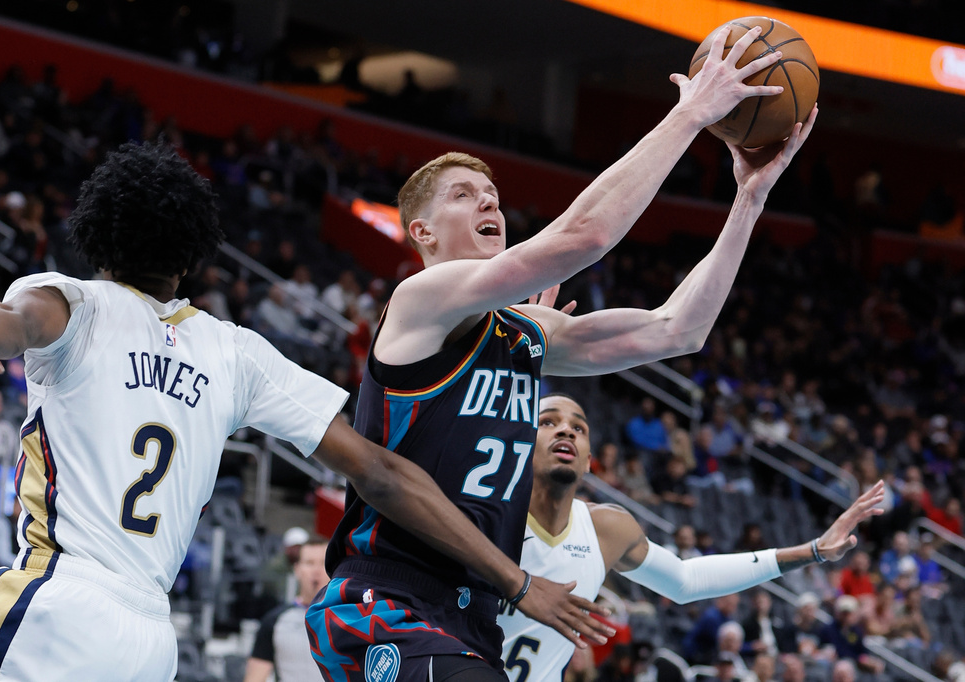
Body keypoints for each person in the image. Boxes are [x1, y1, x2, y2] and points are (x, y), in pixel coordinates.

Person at [0, 142, 600, 681]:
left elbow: (5, 322)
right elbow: (384, 474)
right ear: (197, 249)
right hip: (148, 644)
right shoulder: (235, 352)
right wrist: (514, 579)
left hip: (58, 601)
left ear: (99, 234)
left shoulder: (72, 304)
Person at [312, 25, 817, 680]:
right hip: (385, 601)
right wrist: (692, 114)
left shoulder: (524, 334)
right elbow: (586, 235)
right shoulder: (419, 300)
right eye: (463, 195)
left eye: (490, 193)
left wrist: (749, 200)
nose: (487, 198)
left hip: (469, 614)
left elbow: (676, 330)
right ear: (422, 233)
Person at [497, 394, 886, 681]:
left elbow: (687, 580)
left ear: (587, 458)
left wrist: (814, 550)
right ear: (521, 441)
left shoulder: (607, 529)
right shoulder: (483, 512)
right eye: (547, 421)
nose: (565, 428)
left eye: (578, 427)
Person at [244, 537, 329, 682]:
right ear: (297, 569)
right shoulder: (274, 621)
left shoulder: (349, 618)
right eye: (309, 563)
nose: (316, 570)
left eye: (323, 563)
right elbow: (255, 677)